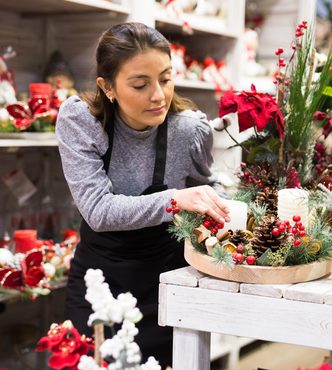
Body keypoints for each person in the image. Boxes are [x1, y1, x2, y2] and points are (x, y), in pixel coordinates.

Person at [56, 22, 230, 367]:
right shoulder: (81, 122)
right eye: (140, 84)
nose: (158, 95)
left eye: (165, 79)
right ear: (108, 87)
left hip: (165, 287)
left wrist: (219, 207)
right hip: (97, 285)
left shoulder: (188, 130)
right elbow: (98, 210)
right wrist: (174, 200)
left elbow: (205, 185)